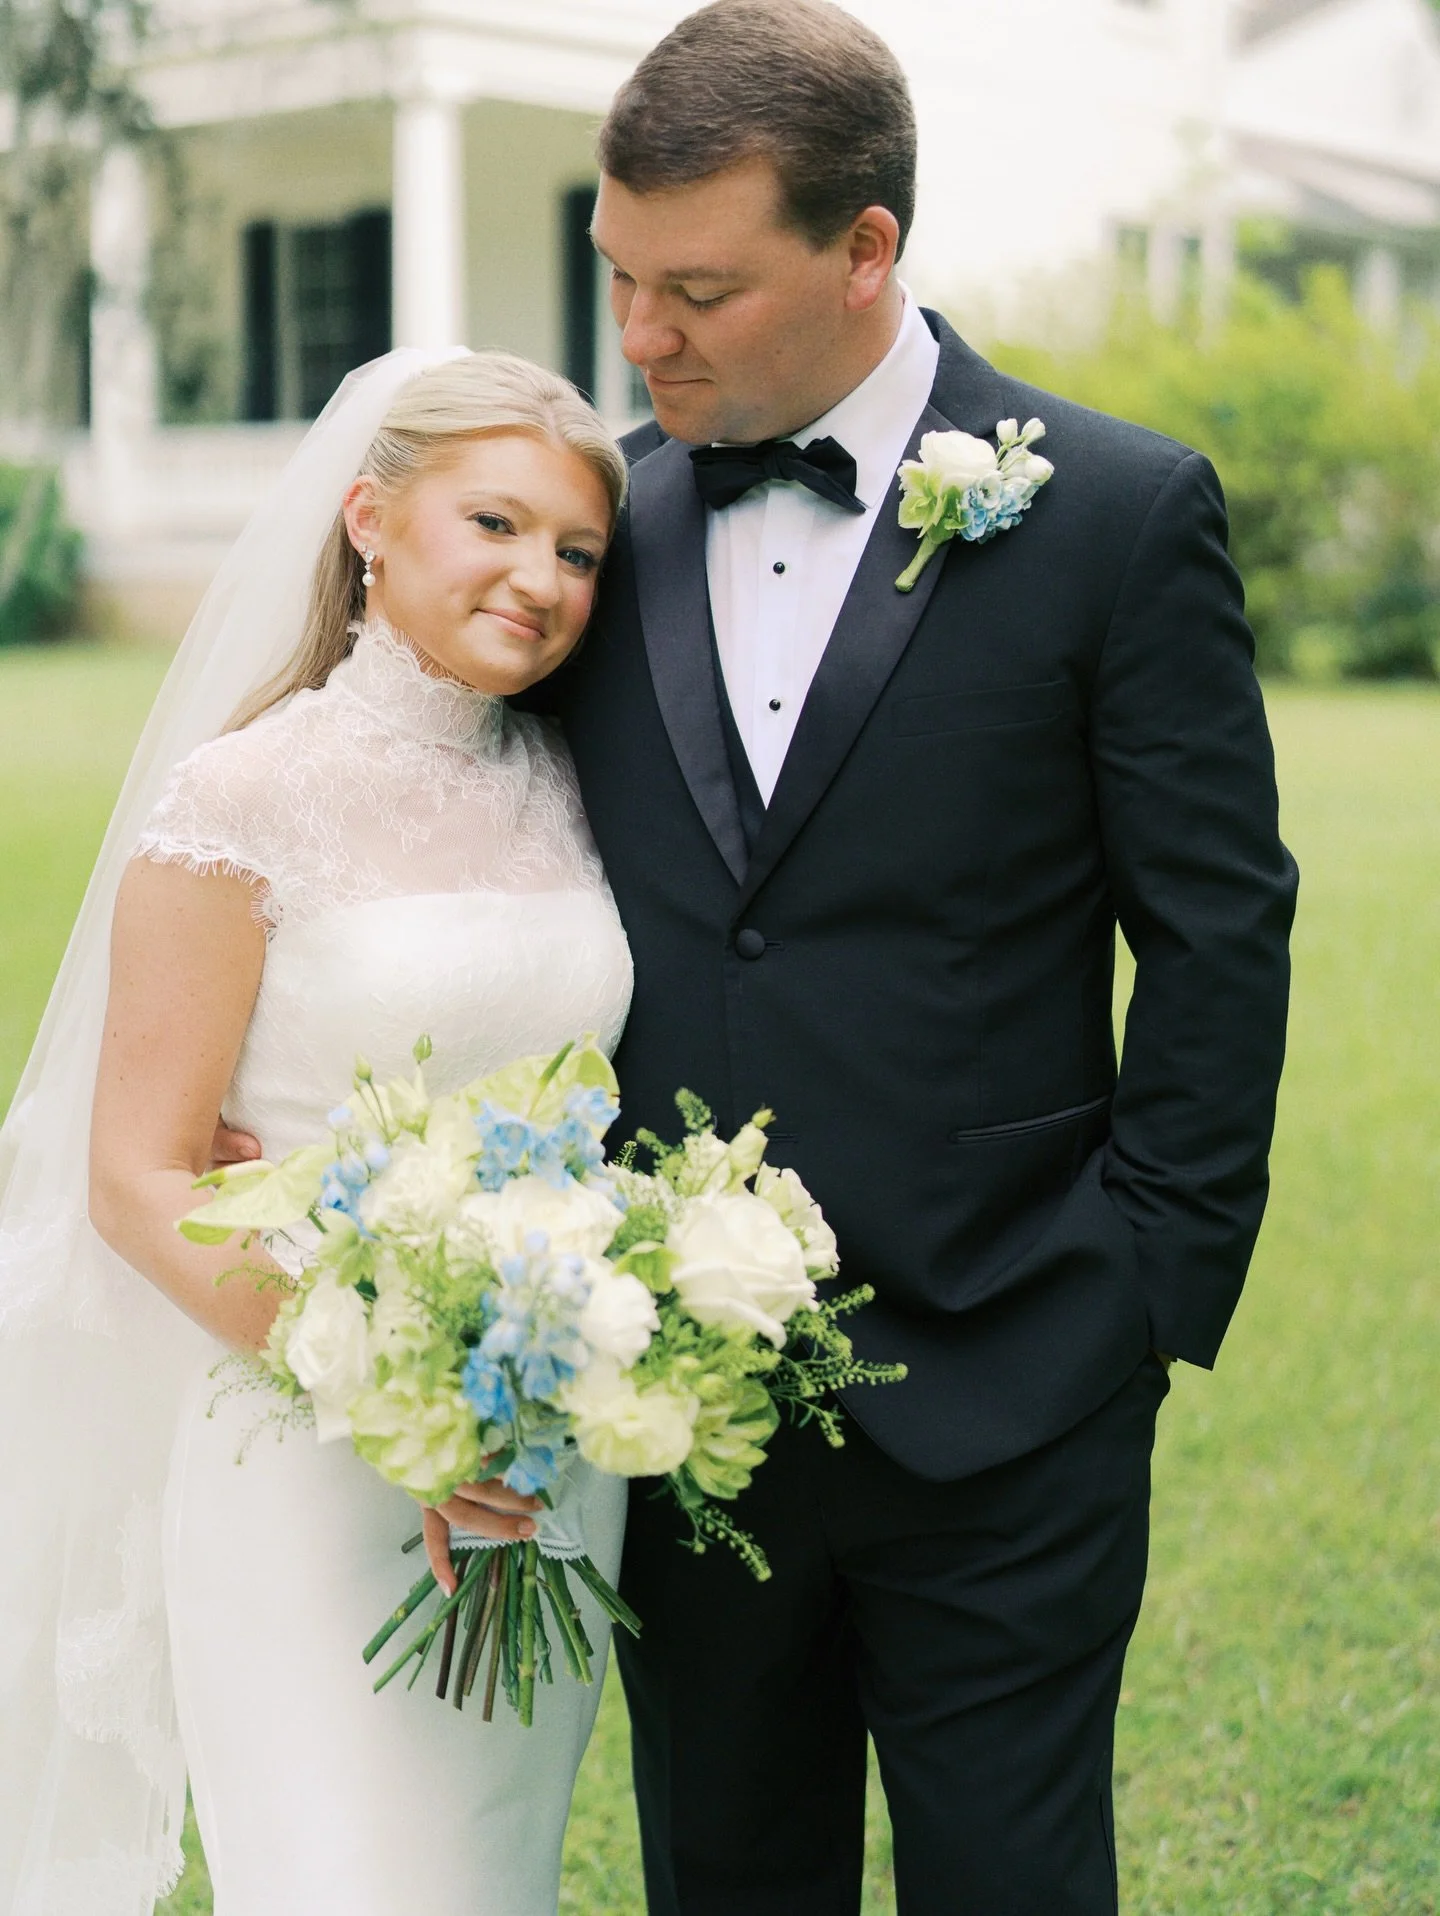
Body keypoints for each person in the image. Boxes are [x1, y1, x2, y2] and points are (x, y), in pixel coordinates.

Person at [539, 2, 1298, 1911]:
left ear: (867, 249)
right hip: (683, 1415)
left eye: (698, 290)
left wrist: (1140, 1295)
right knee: (728, 1878)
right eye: (618, 276)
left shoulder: (1118, 518)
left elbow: (1219, 929)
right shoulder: (595, 527)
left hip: (1017, 1386)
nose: (641, 337)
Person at [0, 351, 635, 1914]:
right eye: (494, 522)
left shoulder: (569, 780)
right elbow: (136, 1177)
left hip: (544, 1446)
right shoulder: (242, 796)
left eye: (576, 552)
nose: (538, 578)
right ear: (368, 517)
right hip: (303, 1442)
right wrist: (398, 1403)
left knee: (492, 1873)